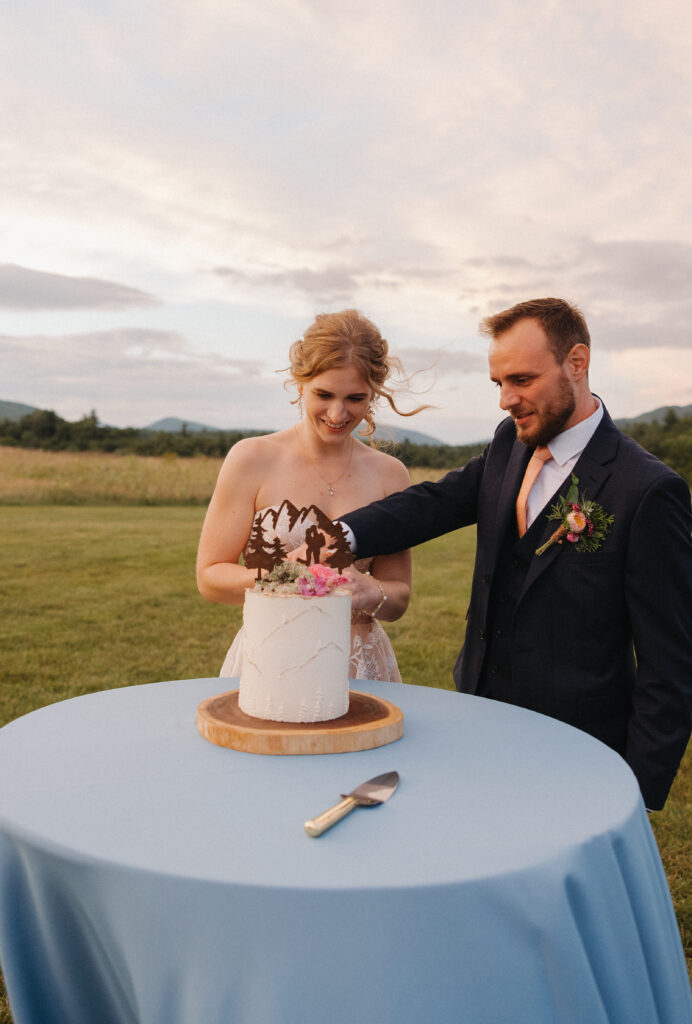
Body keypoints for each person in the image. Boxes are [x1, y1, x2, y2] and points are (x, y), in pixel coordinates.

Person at [339, 297, 692, 810]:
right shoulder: (511, 441)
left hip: (579, 746)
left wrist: (636, 793)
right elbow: (436, 502)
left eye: (521, 380)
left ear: (576, 362)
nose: (505, 400)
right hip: (480, 717)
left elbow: (671, 664)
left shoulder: (647, 490)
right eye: (498, 383)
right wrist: (341, 534)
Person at [197, 308, 424, 682]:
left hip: (361, 668)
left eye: (355, 398)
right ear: (299, 383)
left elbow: (398, 598)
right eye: (324, 394)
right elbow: (210, 578)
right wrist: (291, 577)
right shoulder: (251, 459)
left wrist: (369, 591)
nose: (338, 413)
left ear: (373, 395)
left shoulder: (391, 474)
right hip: (272, 657)